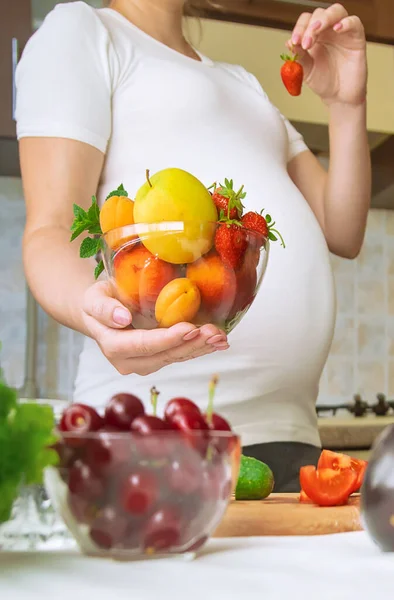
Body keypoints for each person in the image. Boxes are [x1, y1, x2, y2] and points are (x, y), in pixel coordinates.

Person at [16, 0, 370, 492]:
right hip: (158, 437)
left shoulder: (243, 83)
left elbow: (343, 229)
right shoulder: (84, 31)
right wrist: (93, 310)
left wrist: (347, 105)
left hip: (289, 443)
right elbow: (49, 229)